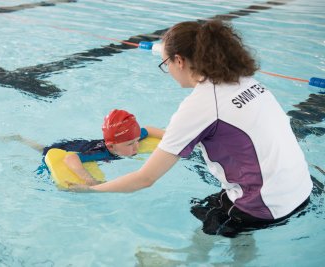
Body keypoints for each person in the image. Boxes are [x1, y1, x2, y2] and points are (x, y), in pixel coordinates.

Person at [73, 20, 313, 237]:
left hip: (266, 208)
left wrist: (92, 190)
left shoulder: (201, 105)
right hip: (301, 190)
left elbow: (144, 179)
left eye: (166, 63)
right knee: (208, 207)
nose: (168, 71)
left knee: (206, 225)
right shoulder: (246, 81)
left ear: (179, 60)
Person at [2, 109, 164, 185]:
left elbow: (147, 130)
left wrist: (169, 136)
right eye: (130, 144)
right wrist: (90, 180)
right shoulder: (100, 153)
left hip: (88, 142)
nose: (137, 146)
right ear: (112, 146)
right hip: (68, 148)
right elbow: (70, 158)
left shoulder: (128, 137)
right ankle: (20, 139)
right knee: (44, 150)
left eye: (137, 141)